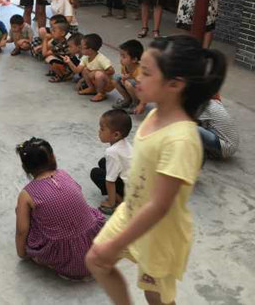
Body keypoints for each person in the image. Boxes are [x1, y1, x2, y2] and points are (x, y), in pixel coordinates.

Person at [86, 35, 227, 305]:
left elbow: (160, 206)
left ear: (175, 84)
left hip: (160, 233)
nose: (138, 77)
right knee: (96, 260)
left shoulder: (181, 140)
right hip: (131, 212)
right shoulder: (154, 114)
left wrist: (116, 244)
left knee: (155, 297)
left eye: (147, 73)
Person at [15, 137, 105, 280]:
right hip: (98, 251)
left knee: (23, 212)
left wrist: (23, 253)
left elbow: (22, 231)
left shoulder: (27, 194)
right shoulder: (63, 174)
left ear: (26, 167)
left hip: (70, 263)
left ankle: (52, 260)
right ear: (52, 157)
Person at [90, 110, 133, 215]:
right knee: (103, 162)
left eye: (102, 129)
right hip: (134, 185)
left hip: (128, 190)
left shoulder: (112, 152)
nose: (99, 131)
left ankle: (120, 201)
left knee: (96, 173)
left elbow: (110, 181)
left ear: (116, 135)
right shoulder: (125, 144)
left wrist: (110, 202)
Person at [197, 95, 239, 160]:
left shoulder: (206, 106)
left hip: (225, 147)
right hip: (229, 146)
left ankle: (211, 152)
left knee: (192, 127)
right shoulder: (215, 103)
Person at [76, 34, 115, 103]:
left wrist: (95, 72)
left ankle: (101, 93)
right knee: (84, 70)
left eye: (82, 47)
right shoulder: (85, 58)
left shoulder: (101, 58)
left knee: (98, 74)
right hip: (95, 81)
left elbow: (111, 71)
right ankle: (91, 88)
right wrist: (69, 62)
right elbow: (77, 70)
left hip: (107, 83)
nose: (80, 48)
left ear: (90, 50)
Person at [113, 39, 146, 114]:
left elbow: (145, 90)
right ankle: (127, 100)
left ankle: (135, 103)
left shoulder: (140, 71)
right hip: (133, 88)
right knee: (115, 79)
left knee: (128, 83)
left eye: (124, 57)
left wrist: (142, 105)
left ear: (134, 59)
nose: (121, 59)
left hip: (141, 93)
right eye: (120, 55)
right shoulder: (125, 66)